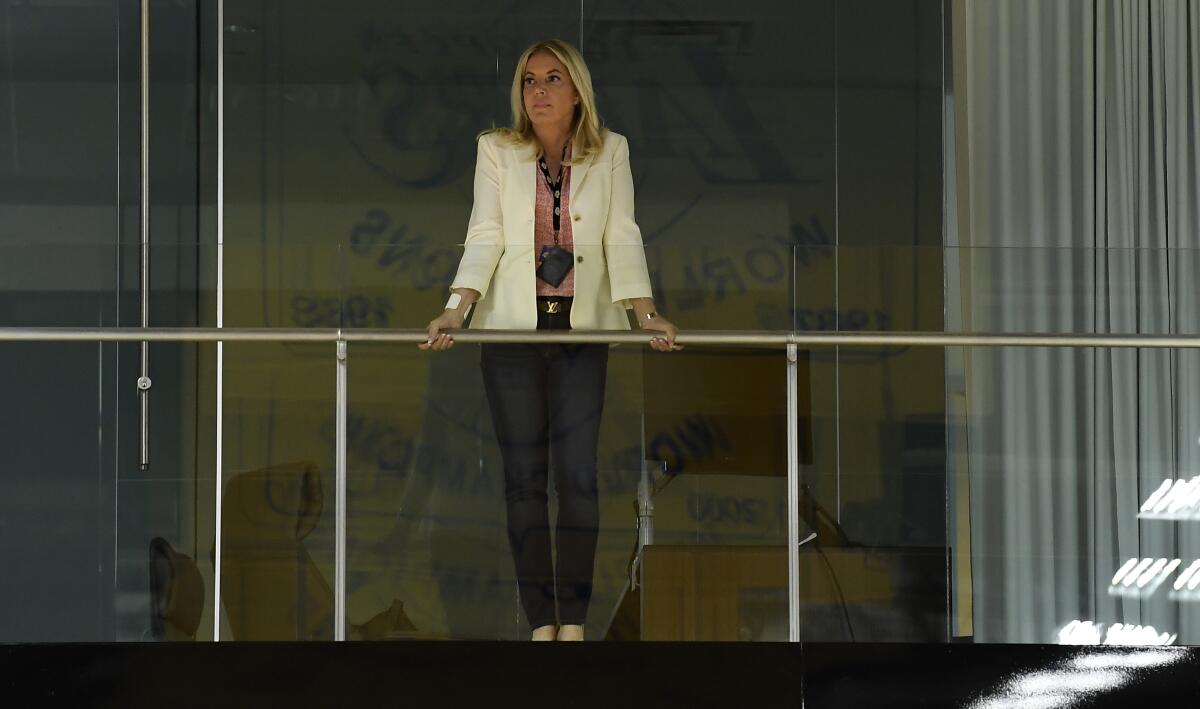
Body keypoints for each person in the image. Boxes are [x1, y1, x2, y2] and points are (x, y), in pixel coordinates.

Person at [420, 38, 680, 641]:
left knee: (579, 478)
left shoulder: (610, 152)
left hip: (581, 333)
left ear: (577, 91)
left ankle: (576, 620)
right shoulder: (496, 150)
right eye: (529, 80)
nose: (538, 90)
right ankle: (542, 621)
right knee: (523, 479)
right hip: (510, 334)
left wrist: (646, 313)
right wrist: (456, 308)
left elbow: (622, 234)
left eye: (553, 78)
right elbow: (484, 234)